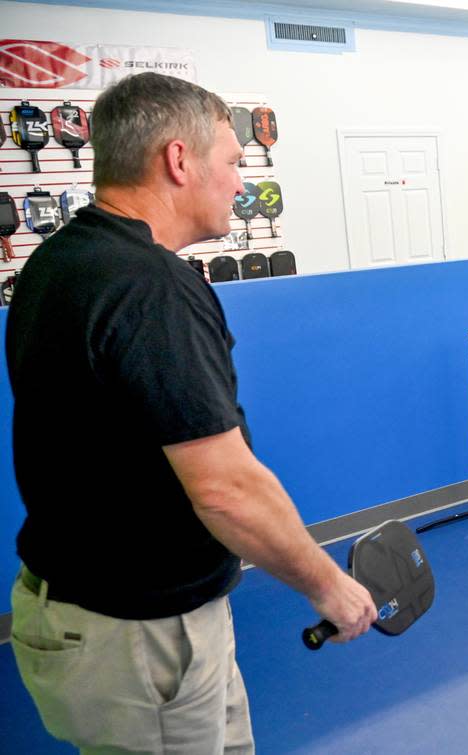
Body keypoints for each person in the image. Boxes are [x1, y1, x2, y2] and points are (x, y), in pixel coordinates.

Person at [5, 73, 377, 752]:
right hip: (141, 636)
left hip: (85, 609)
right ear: (180, 160)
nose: (241, 183)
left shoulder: (59, 261)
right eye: (234, 162)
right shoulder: (151, 286)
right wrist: (330, 586)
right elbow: (225, 486)